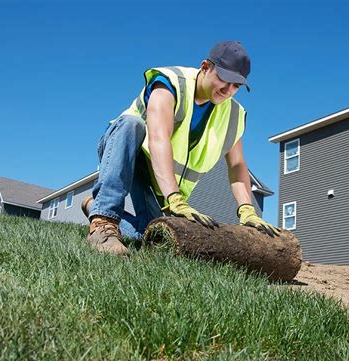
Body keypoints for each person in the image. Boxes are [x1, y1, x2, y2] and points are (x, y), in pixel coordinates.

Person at [82, 40, 279, 256]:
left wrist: (247, 209)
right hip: (127, 150)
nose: (228, 90)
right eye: (224, 79)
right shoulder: (170, 83)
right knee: (132, 123)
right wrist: (173, 197)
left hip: (157, 181)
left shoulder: (232, 114)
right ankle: (103, 222)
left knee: (154, 235)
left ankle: (93, 206)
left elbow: (237, 164)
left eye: (237, 86)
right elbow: (158, 138)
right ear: (205, 67)